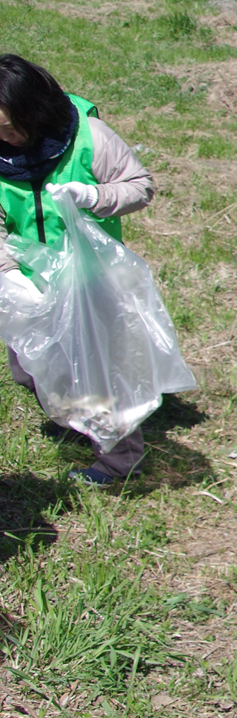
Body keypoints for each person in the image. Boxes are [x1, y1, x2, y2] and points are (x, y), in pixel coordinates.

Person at [0, 54, 156, 487]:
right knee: (28, 366)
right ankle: (74, 417)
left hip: (91, 280)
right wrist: (8, 274)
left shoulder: (89, 137)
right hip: (29, 278)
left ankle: (118, 464)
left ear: (36, 110)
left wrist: (93, 195)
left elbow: (140, 186)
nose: (7, 138)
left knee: (101, 372)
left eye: (13, 126)